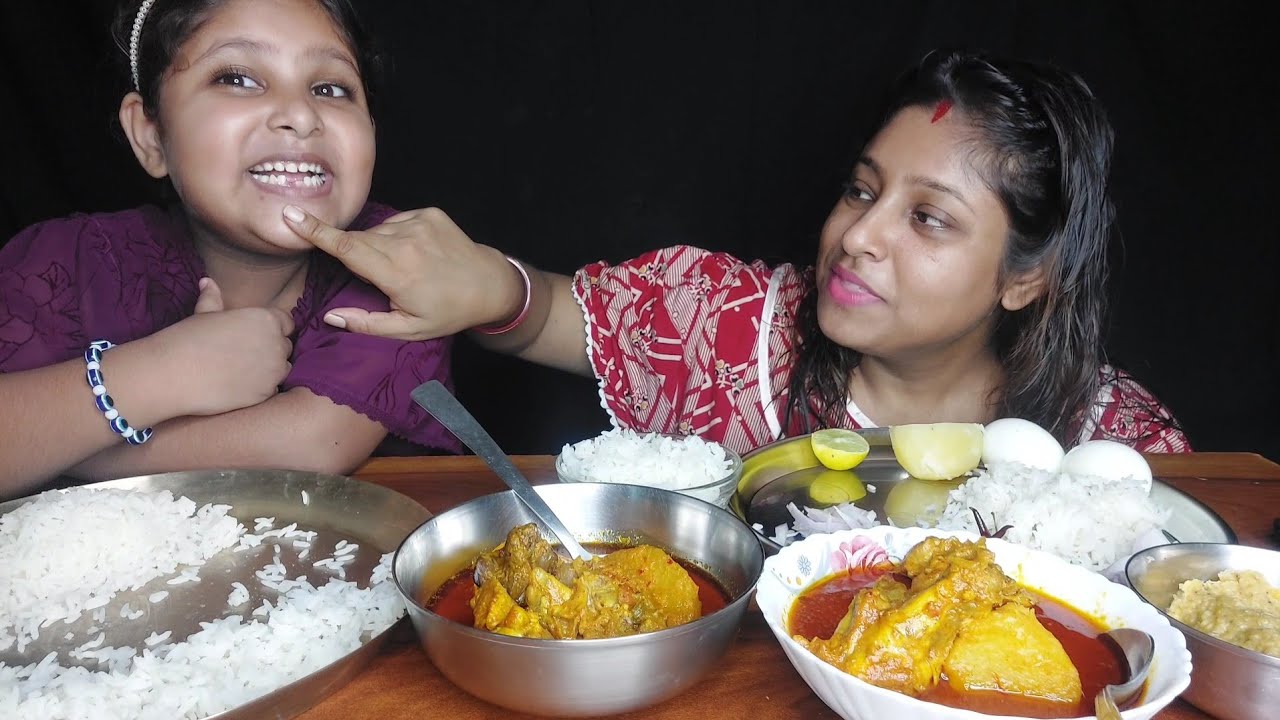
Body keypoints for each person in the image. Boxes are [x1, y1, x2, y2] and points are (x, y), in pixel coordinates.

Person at [283, 49, 1189, 456]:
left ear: (1028, 276)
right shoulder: (734, 327)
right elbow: (557, 317)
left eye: (929, 219)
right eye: (862, 190)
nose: (859, 236)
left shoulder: (1111, 444)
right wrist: (490, 287)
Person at [0, 0, 460, 499]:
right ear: (151, 134)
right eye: (238, 79)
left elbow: (311, 445)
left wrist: (59, 449)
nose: (301, 115)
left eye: (330, 88)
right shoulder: (61, 264)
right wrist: (161, 372)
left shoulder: (396, 261)